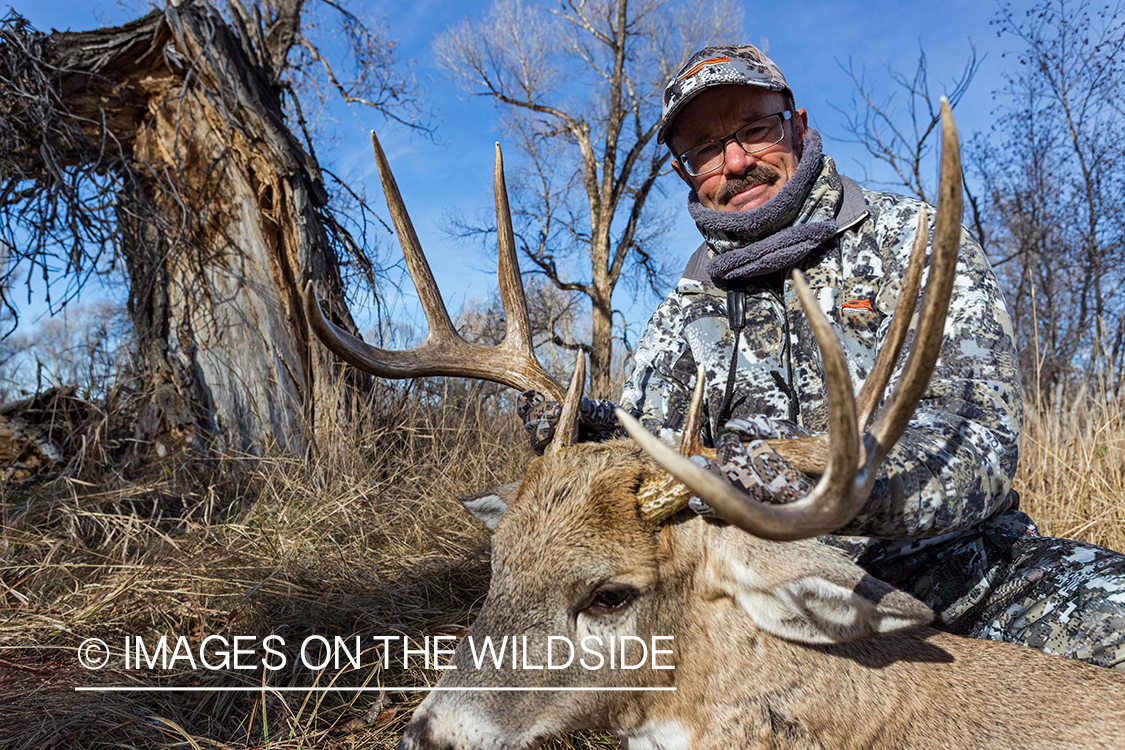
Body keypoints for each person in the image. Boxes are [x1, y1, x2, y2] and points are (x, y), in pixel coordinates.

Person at [520, 44, 1125, 670]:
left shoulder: (908, 240)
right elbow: (657, 476)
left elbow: (980, 443)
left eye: (754, 129)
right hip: (766, 595)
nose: (734, 161)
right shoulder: (685, 309)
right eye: (704, 149)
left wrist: (845, 488)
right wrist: (598, 441)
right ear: (685, 172)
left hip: (966, 571)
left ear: (797, 125)